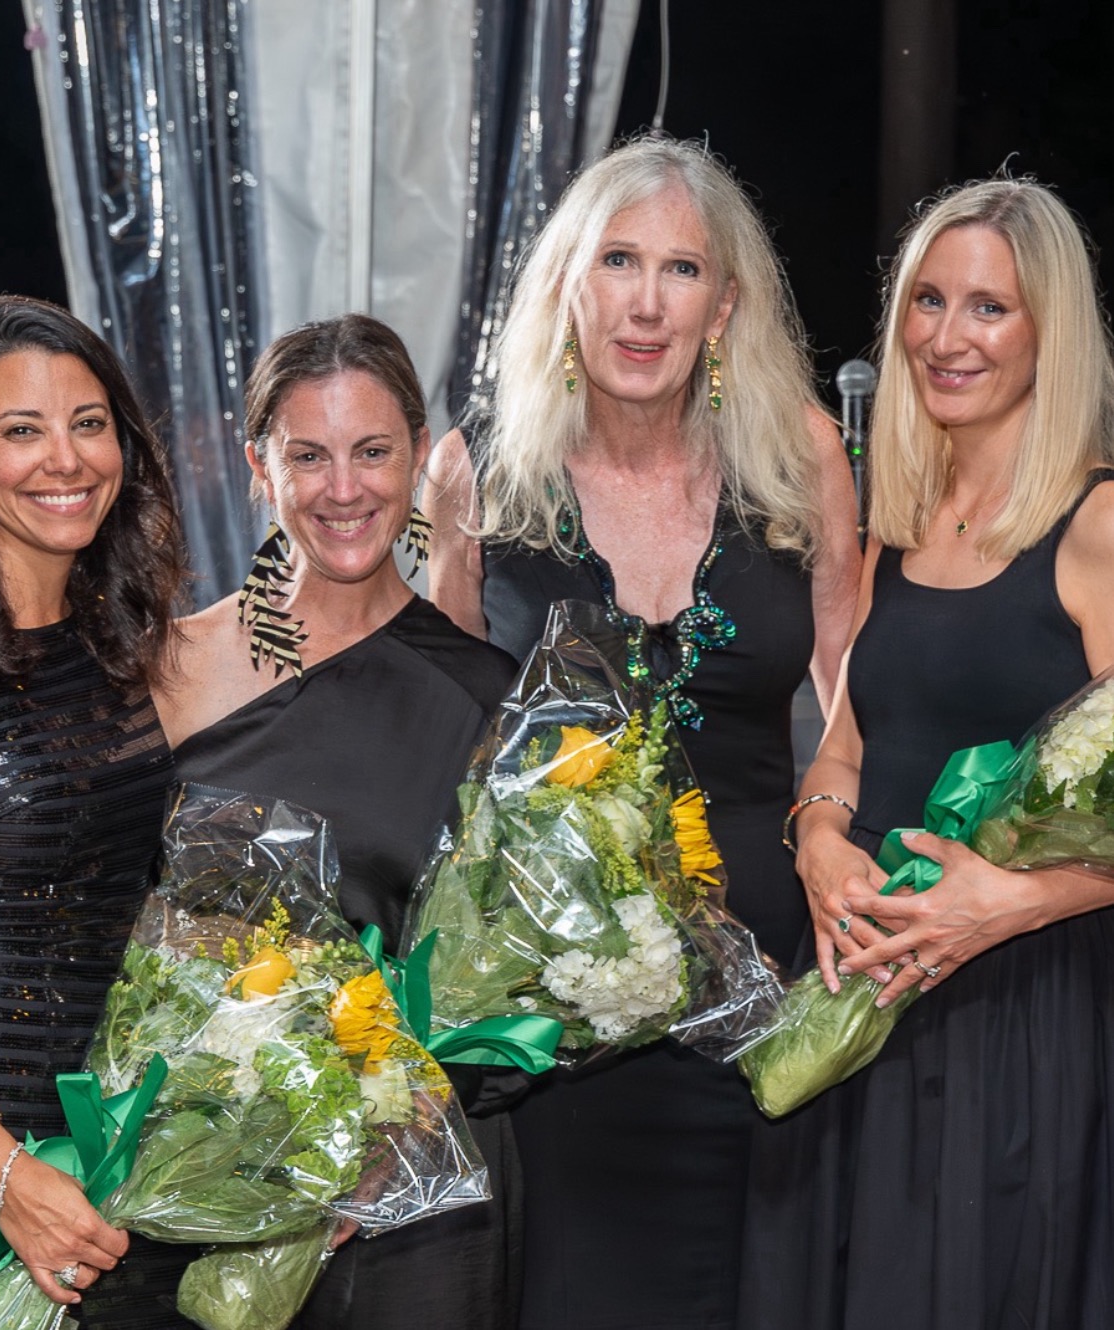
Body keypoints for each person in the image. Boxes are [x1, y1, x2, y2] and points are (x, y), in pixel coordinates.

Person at [426, 135, 861, 1329]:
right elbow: (441, 743)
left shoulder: (801, 461)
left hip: (779, 1004)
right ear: (569, 278)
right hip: (565, 1027)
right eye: (620, 259)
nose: (646, 302)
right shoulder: (481, 471)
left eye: (682, 271)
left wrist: (834, 837)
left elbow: (850, 702)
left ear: (723, 306)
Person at [738, 178, 1114, 1330]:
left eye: (990, 309)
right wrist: (817, 841)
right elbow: (846, 744)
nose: (948, 337)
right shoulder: (903, 524)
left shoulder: (1097, 524)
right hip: (859, 999)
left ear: (1051, 332)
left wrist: (1010, 902)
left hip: (1018, 1018)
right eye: (930, 300)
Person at [154, 314, 522, 1330]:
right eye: (306, 456)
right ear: (258, 470)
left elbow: (509, 981)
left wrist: (388, 1134)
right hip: (202, 1189)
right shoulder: (173, 667)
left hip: (409, 1202)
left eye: (372, 451)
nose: (344, 488)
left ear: (418, 454)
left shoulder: (485, 694)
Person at [0, 295, 185, 1319]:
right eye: (20, 430)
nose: (66, 459)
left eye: (89, 423)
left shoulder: (119, 633)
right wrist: (2, 1180)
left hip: (108, 1172)